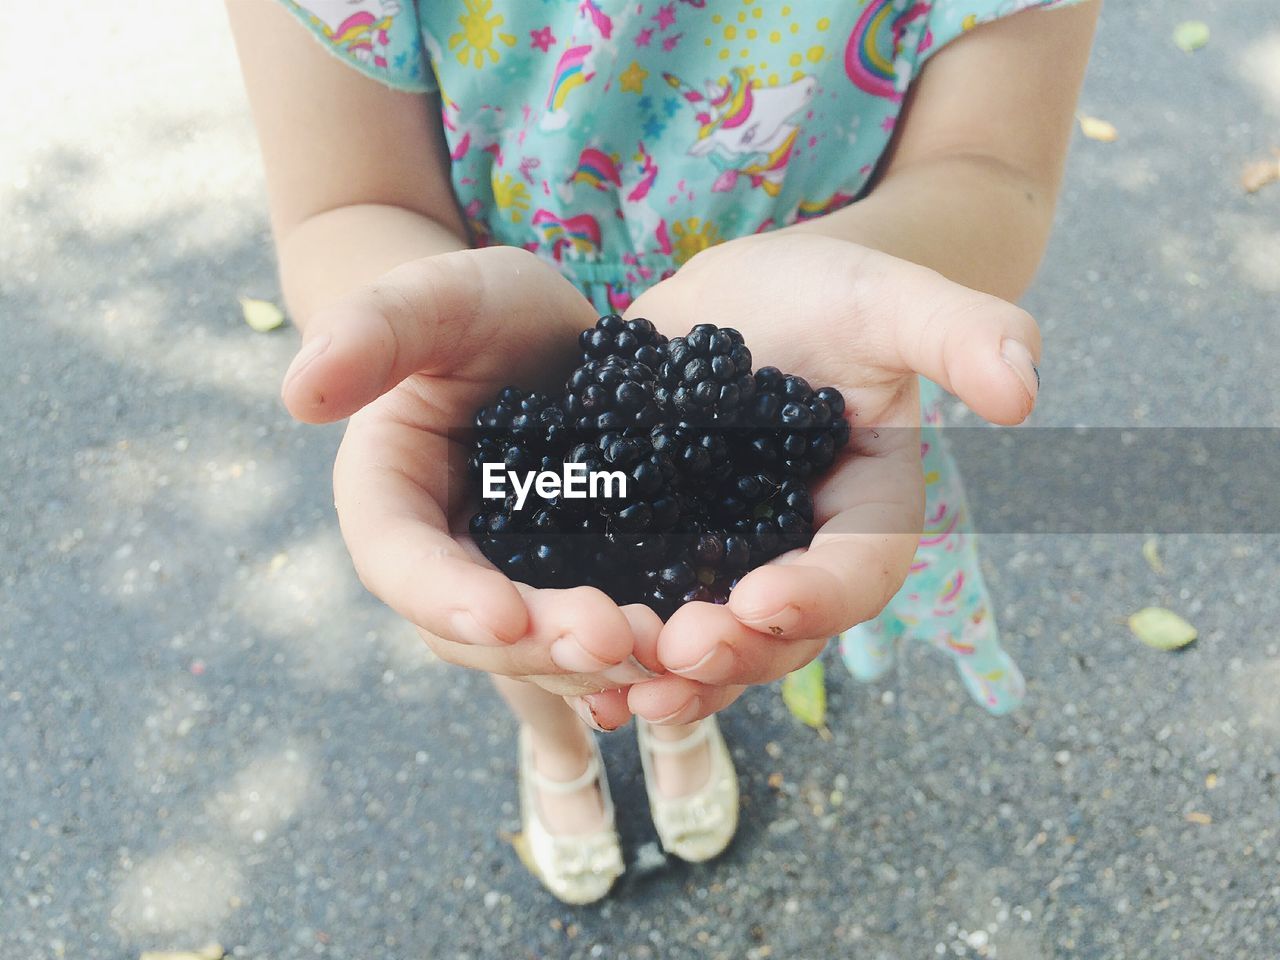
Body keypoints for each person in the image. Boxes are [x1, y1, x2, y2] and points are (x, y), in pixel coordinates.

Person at [227, 0, 1098, 903]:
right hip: (495, 317)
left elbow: (993, 171)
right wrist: (406, 318)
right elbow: (350, 200)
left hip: (804, 311)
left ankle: (677, 721)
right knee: (521, 625)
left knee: (697, 631)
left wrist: (861, 284)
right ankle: (558, 743)